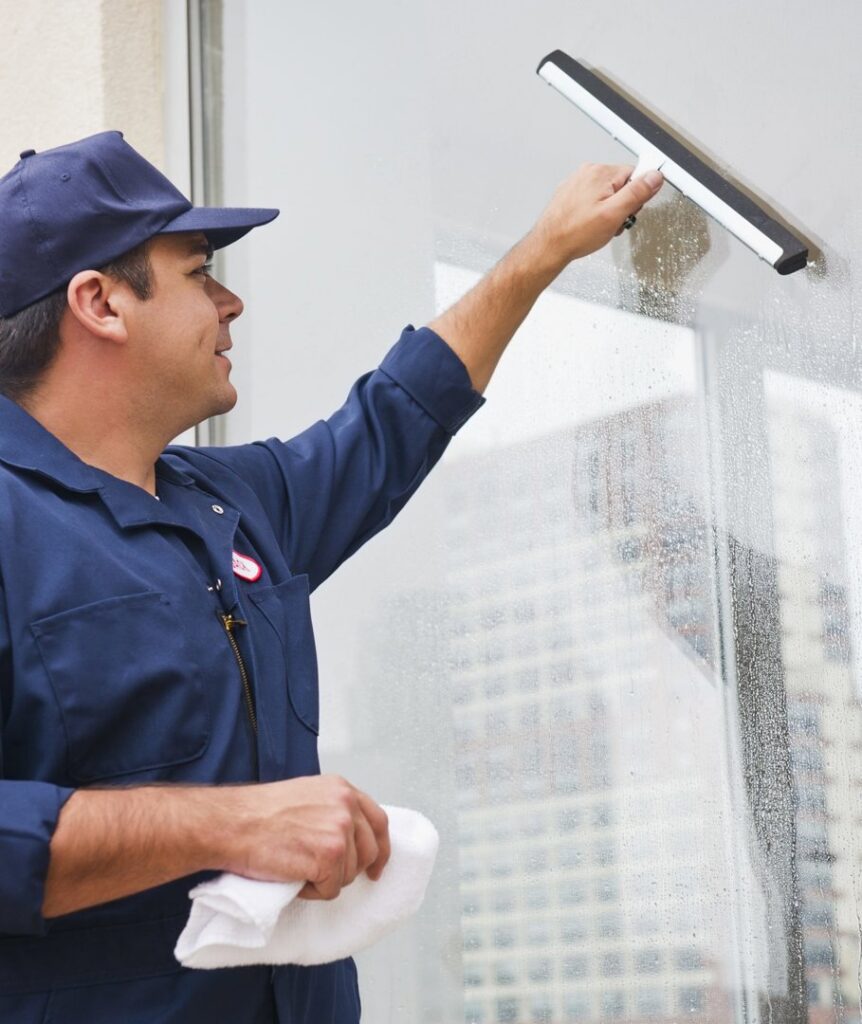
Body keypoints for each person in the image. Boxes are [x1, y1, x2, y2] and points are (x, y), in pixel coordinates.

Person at [0, 131, 663, 1022]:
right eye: (199, 273)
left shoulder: (234, 503)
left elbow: (397, 414)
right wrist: (234, 825)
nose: (231, 301)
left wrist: (544, 250)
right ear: (102, 304)